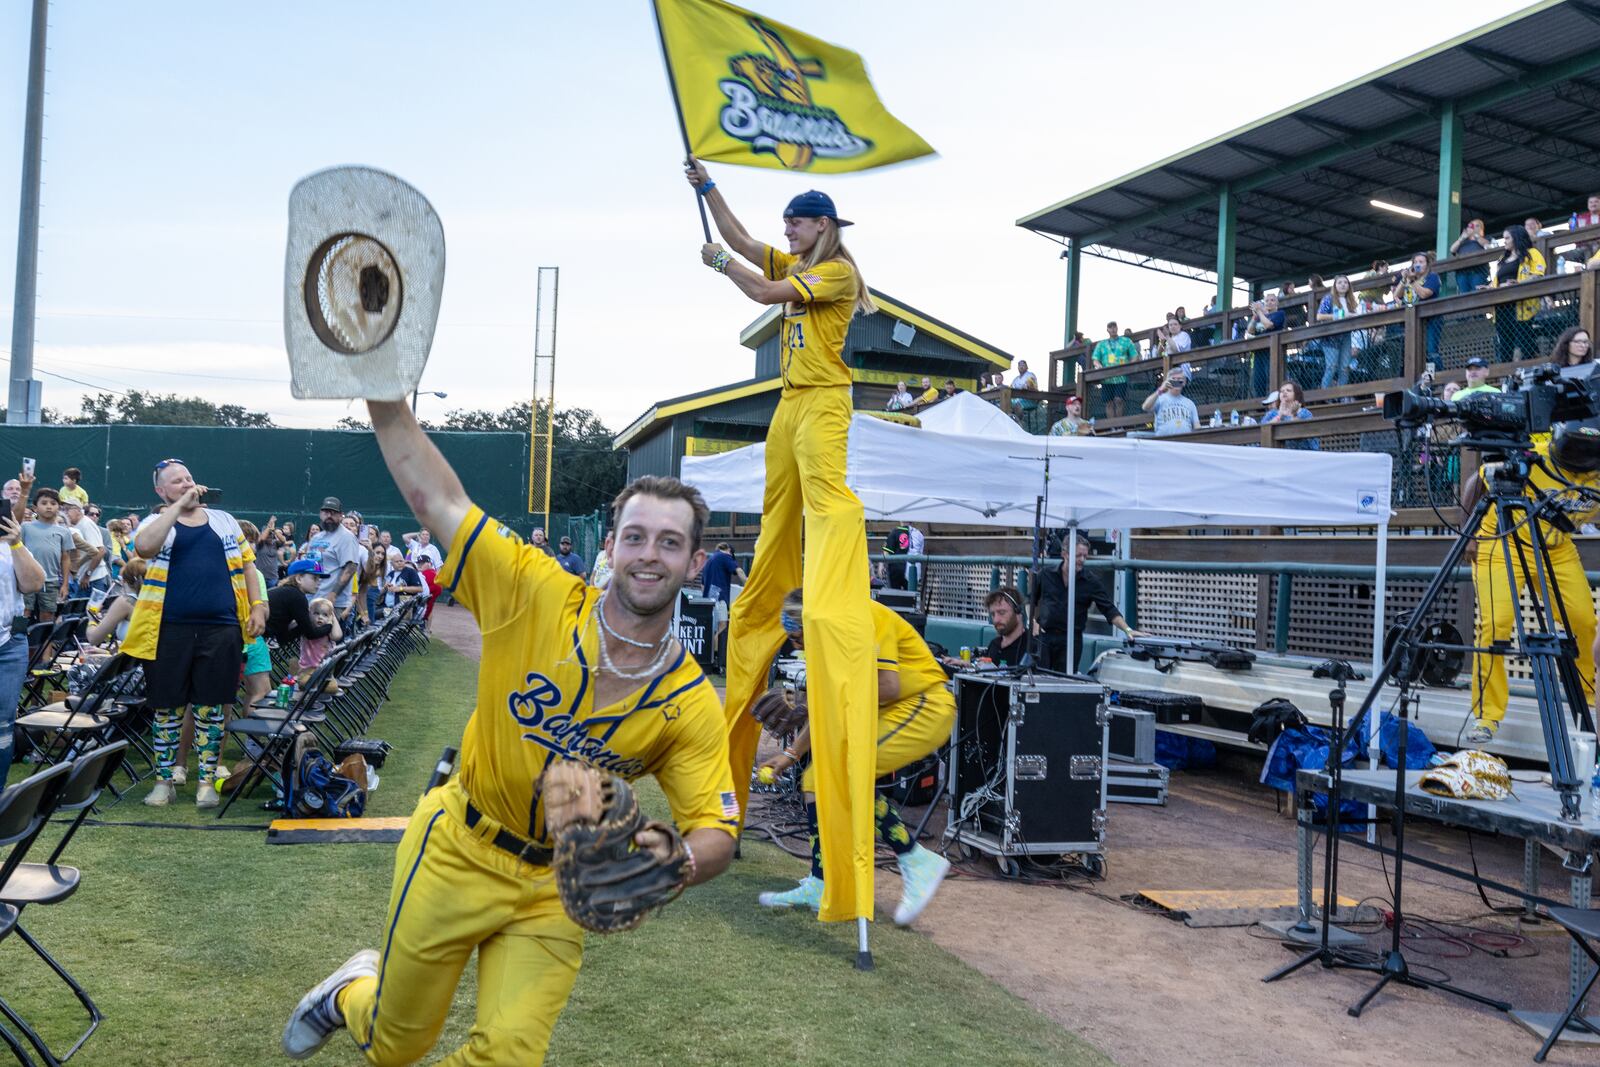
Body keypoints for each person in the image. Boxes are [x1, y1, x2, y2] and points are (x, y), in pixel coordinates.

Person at [281, 393, 737, 1064]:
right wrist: (383, 398)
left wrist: (668, 867)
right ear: (610, 547)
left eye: (671, 542)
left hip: (555, 883)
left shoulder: (690, 700)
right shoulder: (533, 588)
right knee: (394, 1044)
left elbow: (718, 828)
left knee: (510, 1056)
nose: (649, 554)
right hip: (461, 843)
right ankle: (352, 990)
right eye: (635, 536)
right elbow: (440, 501)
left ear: (695, 562)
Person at [686, 157, 878, 927]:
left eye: (797, 221)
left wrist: (721, 265)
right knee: (775, 525)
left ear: (822, 226)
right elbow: (739, 234)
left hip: (825, 402)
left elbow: (763, 291)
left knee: (828, 502)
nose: (788, 231)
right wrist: (707, 193)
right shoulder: (799, 256)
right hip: (788, 405)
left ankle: (832, 588)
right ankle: (771, 594)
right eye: (790, 223)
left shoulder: (830, 275)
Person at [756, 590, 952, 926]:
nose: (797, 645)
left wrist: (823, 699)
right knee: (816, 779)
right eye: (792, 638)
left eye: (799, 635)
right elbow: (830, 707)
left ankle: (915, 859)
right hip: (889, 711)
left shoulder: (867, 615)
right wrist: (790, 755)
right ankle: (821, 882)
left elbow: (888, 686)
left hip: (924, 707)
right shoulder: (826, 639)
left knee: (847, 770)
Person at [127, 459, 267, 808]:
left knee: (211, 710)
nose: (189, 484)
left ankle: (206, 782)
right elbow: (144, 548)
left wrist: (259, 605)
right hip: (167, 630)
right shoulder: (156, 522)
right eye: (177, 482)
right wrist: (176, 508)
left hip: (221, 629)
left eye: (189, 478)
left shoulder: (224, 521)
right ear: (161, 491)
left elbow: (249, 565)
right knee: (166, 710)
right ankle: (164, 782)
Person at [1462, 427, 1600, 744]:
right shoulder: (1536, 453)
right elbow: (1478, 479)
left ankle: (1589, 699)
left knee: (1582, 621)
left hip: (1557, 547)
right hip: (1503, 540)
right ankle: (1487, 715)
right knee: (1494, 624)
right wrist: (1467, 532)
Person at [1031, 535, 1145, 673]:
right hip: (1045, 636)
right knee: (1039, 677)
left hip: (1071, 639)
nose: (1082, 560)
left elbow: (1109, 609)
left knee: (1065, 680)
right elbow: (1030, 600)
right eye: (1078, 555)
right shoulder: (1046, 574)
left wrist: (1127, 630)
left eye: (1085, 556)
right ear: (1065, 554)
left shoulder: (1091, 581)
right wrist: (1032, 622)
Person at [0, 515, 46, 785]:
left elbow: (33, 584)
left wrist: (16, 543)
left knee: (3, 725)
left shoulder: (9, 543)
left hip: (9, 643)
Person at [15, 481, 72, 623]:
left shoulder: (64, 532)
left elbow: (65, 558)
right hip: (26, 579)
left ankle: (45, 644)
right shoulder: (25, 528)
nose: (49, 506)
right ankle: (20, 642)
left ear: (59, 507)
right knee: (24, 612)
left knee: (47, 616)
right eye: (44, 503)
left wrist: (65, 584)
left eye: (53, 503)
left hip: (51, 581)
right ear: (35, 507)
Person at [1491, 224, 1546, 364]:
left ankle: (1527, 373)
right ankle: (1506, 376)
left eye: (1507, 238)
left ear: (1516, 238)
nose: (1505, 241)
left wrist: (1519, 283)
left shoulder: (1532, 253)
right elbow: (1496, 281)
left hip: (1522, 306)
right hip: (1502, 307)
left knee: (1525, 343)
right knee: (1504, 345)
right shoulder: (1502, 259)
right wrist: (1487, 288)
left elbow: (1538, 275)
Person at [302, 496, 361, 622]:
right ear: (320, 514)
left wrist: (333, 595)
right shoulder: (316, 538)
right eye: (326, 512)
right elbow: (313, 566)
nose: (329, 515)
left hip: (332, 604)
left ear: (341, 516)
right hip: (312, 599)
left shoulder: (346, 537)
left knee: (329, 641)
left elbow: (351, 567)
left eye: (333, 513)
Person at [939, 586, 1027, 668]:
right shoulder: (995, 644)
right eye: (993, 614)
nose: (996, 620)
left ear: (1018, 611)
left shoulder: (1031, 649)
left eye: (1002, 612)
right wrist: (965, 664)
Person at [237, 521, 275, 709]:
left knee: (261, 691)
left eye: (253, 542)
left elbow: (265, 612)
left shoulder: (257, 574)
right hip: (229, 642)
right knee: (222, 706)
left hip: (254, 640)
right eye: (246, 541)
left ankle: (252, 739)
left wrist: (257, 609)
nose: (251, 547)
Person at [265, 559, 335, 648]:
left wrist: (303, 625)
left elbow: (284, 637)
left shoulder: (288, 592)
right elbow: (311, 634)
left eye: (319, 579)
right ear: (299, 578)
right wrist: (329, 625)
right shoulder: (297, 596)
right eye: (314, 578)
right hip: (256, 638)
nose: (318, 583)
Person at [85, 557, 146, 647]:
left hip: (132, 659)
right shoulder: (151, 600)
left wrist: (91, 619)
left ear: (124, 580)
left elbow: (93, 638)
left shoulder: (125, 602)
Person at [1315, 274, 1359, 389]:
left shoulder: (1351, 301)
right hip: (1330, 337)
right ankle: (1324, 395)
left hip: (1346, 335)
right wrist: (1341, 314)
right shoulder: (1328, 298)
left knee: (1344, 366)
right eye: (1339, 282)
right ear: (1335, 285)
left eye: (1345, 282)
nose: (1343, 285)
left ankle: (1341, 395)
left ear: (1349, 286)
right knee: (1331, 366)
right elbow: (1319, 316)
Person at [1091, 321, 1138, 419]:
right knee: (1109, 403)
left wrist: (1130, 366)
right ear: (1107, 330)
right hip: (1106, 379)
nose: (1112, 329)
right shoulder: (1101, 344)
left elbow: (1134, 355)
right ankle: (1111, 426)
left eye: (1114, 327)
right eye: (1110, 327)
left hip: (1122, 378)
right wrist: (1098, 365)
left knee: (1119, 400)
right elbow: (1095, 359)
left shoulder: (1126, 341)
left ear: (1117, 328)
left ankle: (1119, 425)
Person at [1244, 292, 1285, 397]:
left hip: (1272, 351)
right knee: (1258, 381)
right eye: (1266, 301)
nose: (1269, 302)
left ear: (1277, 303)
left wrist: (1260, 312)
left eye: (1272, 300)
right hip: (1259, 352)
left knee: (1272, 378)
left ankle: (1275, 401)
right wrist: (1254, 317)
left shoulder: (1279, 314)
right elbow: (1250, 331)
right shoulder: (1259, 317)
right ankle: (1259, 404)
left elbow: (1269, 325)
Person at [64, 502, 109, 599]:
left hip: (94, 579)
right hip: (84, 580)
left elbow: (100, 551)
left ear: (78, 510)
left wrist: (87, 574)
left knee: (93, 612)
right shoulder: (76, 526)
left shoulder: (86, 524)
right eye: (64, 509)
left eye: (68, 509)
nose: (65, 512)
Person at [1141, 365, 1199, 436]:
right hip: (1163, 441)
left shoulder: (1190, 403)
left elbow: (1197, 426)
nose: (1176, 381)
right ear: (1168, 381)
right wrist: (1160, 390)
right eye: (1173, 379)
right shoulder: (1159, 399)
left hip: (1184, 442)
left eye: (1179, 379)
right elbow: (1145, 407)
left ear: (1184, 382)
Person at [297, 598, 342, 673]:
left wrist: (333, 619)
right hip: (306, 667)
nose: (320, 617)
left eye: (325, 615)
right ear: (309, 614)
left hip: (325, 667)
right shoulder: (308, 628)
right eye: (316, 613)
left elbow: (337, 636)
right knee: (304, 682)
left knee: (331, 685)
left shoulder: (329, 630)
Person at [1449, 218, 1491, 293]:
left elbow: (1488, 246)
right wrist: (1462, 238)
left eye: (1476, 226)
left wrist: (1476, 236)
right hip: (1462, 273)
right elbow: (1452, 250)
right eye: (1472, 226)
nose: (1474, 228)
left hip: (1478, 272)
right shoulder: (1463, 242)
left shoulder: (1485, 238)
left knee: (1477, 294)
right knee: (1464, 295)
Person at [380, 547, 425, 614]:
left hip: (402, 609)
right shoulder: (390, 574)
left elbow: (420, 588)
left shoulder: (410, 572)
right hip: (386, 607)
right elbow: (381, 591)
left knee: (375, 615)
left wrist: (400, 588)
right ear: (392, 564)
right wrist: (385, 587)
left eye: (401, 561)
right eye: (396, 561)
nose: (399, 563)